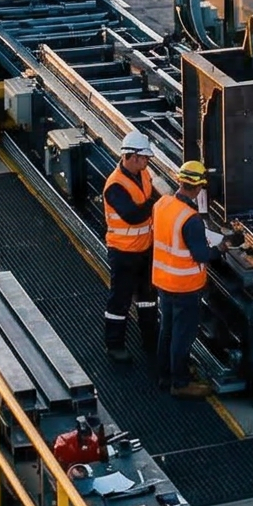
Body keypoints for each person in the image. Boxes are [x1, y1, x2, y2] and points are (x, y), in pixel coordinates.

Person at [151, 161, 217, 399]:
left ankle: (165, 375)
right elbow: (201, 255)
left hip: (163, 281)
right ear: (198, 187)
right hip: (185, 287)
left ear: (180, 181)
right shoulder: (191, 219)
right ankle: (180, 383)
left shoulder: (161, 204)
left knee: (167, 330)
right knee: (183, 335)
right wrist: (221, 250)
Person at [99, 132, 157, 360]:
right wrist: (155, 205)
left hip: (144, 250)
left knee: (148, 298)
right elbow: (133, 216)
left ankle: (151, 340)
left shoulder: (143, 174)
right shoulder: (115, 186)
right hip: (123, 253)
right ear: (132, 157)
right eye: (144, 158)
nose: (147, 162)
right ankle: (114, 345)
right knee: (120, 301)